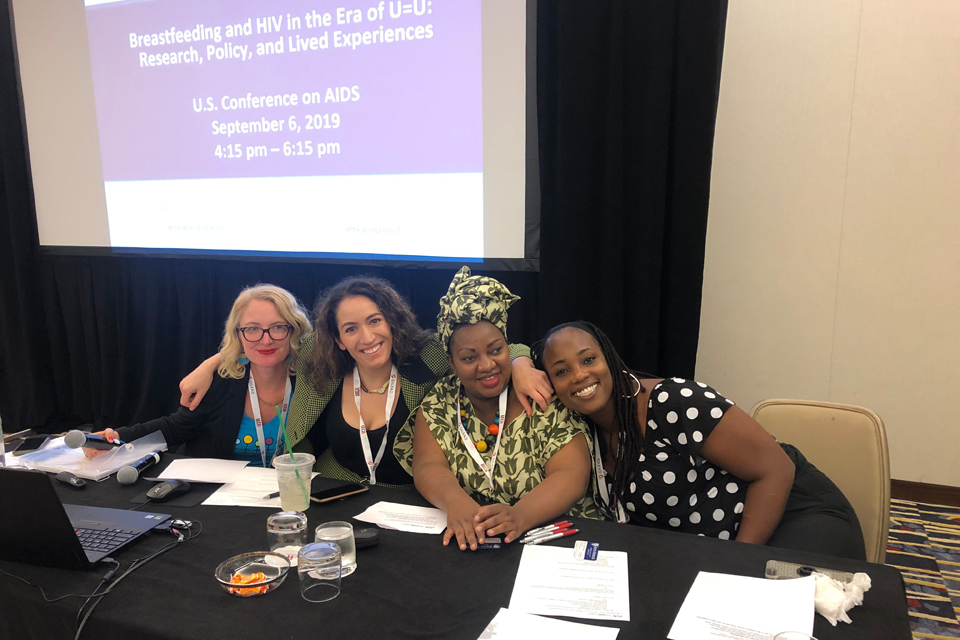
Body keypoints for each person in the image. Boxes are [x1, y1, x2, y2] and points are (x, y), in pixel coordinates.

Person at [533, 321, 866, 560]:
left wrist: (737, 561)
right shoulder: (581, 430)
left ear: (610, 359)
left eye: (589, 359)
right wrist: (521, 362)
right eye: (561, 371)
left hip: (790, 513)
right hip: (710, 550)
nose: (579, 375)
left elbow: (776, 469)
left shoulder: (673, 401)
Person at [178, 275, 553, 487]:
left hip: (412, 500)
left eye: (375, 321)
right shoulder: (320, 359)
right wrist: (213, 363)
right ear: (338, 339)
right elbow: (269, 341)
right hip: (335, 492)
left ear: (391, 321)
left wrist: (520, 363)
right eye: (351, 328)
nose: (367, 337)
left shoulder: (426, 356)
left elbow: (488, 347)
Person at [393, 267, 600, 551]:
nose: (487, 365)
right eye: (469, 357)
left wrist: (521, 515)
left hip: (556, 539)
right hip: (478, 540)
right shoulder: (440, 402)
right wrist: (455, 502)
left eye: (495, 350)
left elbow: (572, 475)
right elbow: (428, 464)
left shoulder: (541, 393)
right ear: (451, 363)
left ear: (509, 346)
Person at [85, 285, 311, 466]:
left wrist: (213, 361)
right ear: (238, 335)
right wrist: (116, 438)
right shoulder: (221, 382)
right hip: (223, 496)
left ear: (295, 329)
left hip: (294, 492)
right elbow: (174, 428)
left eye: (278, 327)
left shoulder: (314, 383)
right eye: (252, 329)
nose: (265, 339)